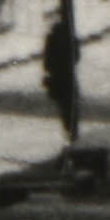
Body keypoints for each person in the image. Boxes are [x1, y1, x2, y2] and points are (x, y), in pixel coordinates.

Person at [43, 14, 83, 142]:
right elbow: (77, 56)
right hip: (69, 77)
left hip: (57, 78)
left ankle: (68, 131)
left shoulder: (51, 38)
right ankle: (73, 132)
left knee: (64, 108)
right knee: (72, 106)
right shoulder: (71, 37)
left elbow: (47, 62)